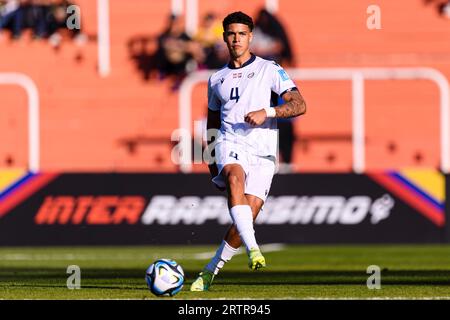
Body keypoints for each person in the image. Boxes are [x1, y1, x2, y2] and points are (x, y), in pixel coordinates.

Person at [190, 11, 306, 292]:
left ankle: (210, 271)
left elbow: (299, 104)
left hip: (264, 154)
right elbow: (213, 122)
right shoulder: (216, 79)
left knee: (246, 217)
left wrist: (267, 111)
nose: (236, 39)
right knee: (233, 178)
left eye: (242, 34)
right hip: (232, 145)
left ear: (250, 37)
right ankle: (255, 249)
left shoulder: (269, 69)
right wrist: (211, 159)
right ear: (224, 38)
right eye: (231, 34)